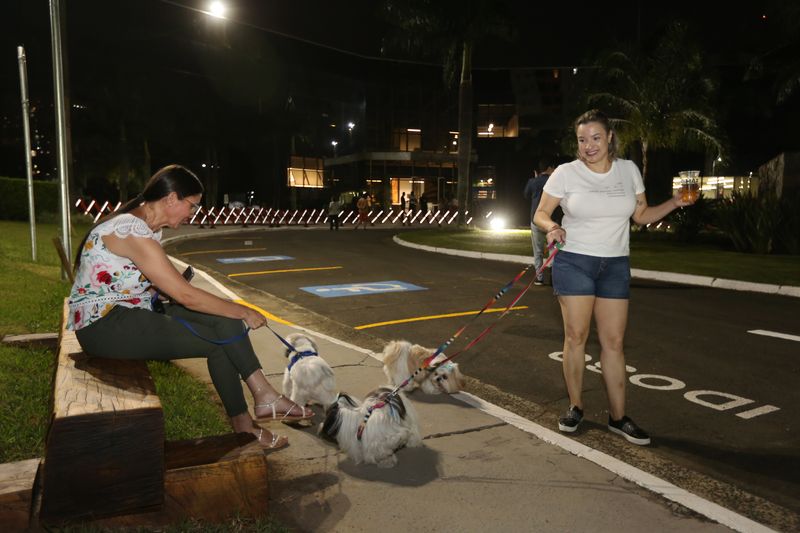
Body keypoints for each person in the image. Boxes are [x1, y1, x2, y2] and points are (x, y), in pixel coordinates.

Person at [67, 165, 312, 450]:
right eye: (191, 205)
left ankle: (264, 395)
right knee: (219, 339)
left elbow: (151, 284)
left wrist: (229, 311)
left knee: (225, 322)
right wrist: (245, 310)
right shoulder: (130, 230)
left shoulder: (145, 228)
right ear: (171, 198)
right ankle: (245, 425)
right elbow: (186, 296)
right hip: (105, 326)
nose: (192, 214)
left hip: (133, 311)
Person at [533, 110, 696, 446]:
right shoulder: (566, 173)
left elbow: (640, 215)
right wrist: (554, 227)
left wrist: (674, 203)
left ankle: (619, 417)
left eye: (595, 137)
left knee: (614, 344)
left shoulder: (628, 171)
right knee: (576, 337)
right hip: (575, 261)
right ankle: (576, 406)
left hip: (615, 266)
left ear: (609, 137)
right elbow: (541, 213)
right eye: (582, 139)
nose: (588, 145)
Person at [523, 156, 555, 285]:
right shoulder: (554, 181)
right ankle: (553, 276)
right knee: (553, 250)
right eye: (553, 167)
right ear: (549, 168)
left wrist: (535, 180)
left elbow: (525, 195)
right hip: (550, 222)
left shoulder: (533, 181)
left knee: (538, 251)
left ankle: (539, 278)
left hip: (535, 220)